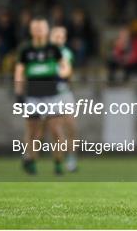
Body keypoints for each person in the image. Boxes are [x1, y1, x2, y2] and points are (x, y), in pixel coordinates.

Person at [14, 17, 71, 175]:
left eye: (42, 28)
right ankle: (31, 160)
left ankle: (58, 162)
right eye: (36, 28)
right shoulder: (25, 50)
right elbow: (19, 72)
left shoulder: (53, 49)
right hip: (33, 95)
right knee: (33, 132)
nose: (39, 31)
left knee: (56, 130)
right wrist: (18, 93)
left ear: (47, 30)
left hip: (52, 95)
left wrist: (62, 74)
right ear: (31, 30)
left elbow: (65, 67)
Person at [50, 26, 78, 172]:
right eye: (56, 36)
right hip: (49, 95)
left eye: (61, 37)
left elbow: (66, 72)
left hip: (64, 93)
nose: (59, 39)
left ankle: (71, 157)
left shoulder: (66, 53)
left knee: (71, 126)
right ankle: (59, 159)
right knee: (55, 130)